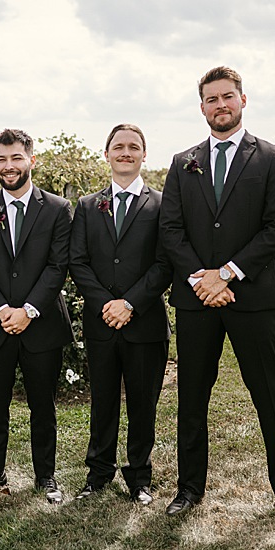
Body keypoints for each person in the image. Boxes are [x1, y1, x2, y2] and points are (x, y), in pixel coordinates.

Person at [159, 66, 275, 526]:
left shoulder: (271, 157)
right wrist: (201, 280)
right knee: (191, 397)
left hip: (253, 298)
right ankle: (189, 489)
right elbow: (171, 229)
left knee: (269, 395)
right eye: (211, 99)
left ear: (243, 100)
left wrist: (226, 275)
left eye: (227, 96)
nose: (220, 105)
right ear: (201, 106)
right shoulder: (183, 162)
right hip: (196, 300)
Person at [0, 128, 72, 504]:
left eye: (16, 158)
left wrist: (27, 310)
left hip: (42, 323)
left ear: (31, 160)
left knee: (43, 405)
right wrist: (1, 309)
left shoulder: (57, 208)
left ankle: (46, 475)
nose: (9, 166)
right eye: (1, 159)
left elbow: (58, 266)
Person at [69, 123, 173, 505]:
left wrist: (129, 303)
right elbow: (78, 261)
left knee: (143, 405)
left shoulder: (161, 204)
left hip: (144, 323)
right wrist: (106, 304)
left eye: (133, 147)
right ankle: (98, 474)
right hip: (102, 323)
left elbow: (165, 263)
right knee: (102, 402)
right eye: (118, 147)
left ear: (144, 155)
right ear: (107, 154)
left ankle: (139, 478)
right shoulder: (87, 206)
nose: (125, 153)